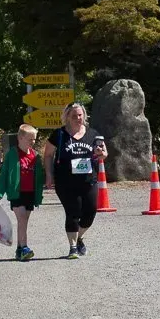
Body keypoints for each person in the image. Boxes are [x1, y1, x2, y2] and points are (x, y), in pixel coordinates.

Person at [43, 102, 107, 260]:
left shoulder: (93, 134)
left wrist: (101, 154)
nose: (78, 118)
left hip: (88, 180)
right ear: (67, 117)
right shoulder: (59, 135)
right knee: (73, 212)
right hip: (65, 181)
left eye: (80, 115)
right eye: (74, 116)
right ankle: (72, 247)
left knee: (90, 212)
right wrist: (49, 175)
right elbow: (48, 155)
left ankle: (79, 237)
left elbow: (104, 153)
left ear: (84, 116)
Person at [0, 123, 44, 262]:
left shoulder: (35, 155)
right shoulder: (12, 153)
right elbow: (4, 173)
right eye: (30, 139)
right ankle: (24, 247)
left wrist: (39, 194)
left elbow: (39, 176)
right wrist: (0, 191)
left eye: (34, 139)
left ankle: (19, 249)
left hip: (30, 193)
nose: (33, 142)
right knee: (22, 218)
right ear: (20, 138)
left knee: (24, 221)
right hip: (16, 193)